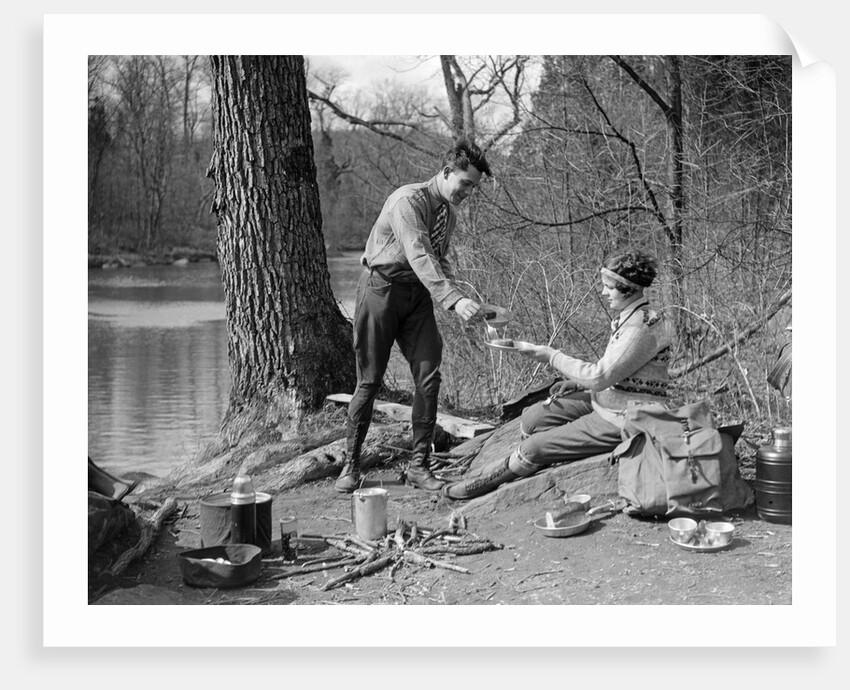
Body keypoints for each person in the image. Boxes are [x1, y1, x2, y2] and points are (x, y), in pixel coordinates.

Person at [442, 248, 674, 500]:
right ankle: (544, 454)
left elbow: (600, 376)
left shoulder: (641, 326)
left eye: (609, 287)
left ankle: (487, 484)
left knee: (532, 447)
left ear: (629, 289)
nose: (604, 292)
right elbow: (617, 371)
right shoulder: (629, 317)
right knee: (532, 419)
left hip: (627, 415)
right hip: (607, 399)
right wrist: (578, 384)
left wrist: (551, 355)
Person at [335, 138, 493, 493]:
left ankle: (419, 467)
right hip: (381, 290)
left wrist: (466, 299)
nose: (467, 191)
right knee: (370, 381)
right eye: (464, 183)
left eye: (473, 187)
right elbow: (418, 253)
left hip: (417, 297)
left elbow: (438, 260)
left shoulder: (447, 214)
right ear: (447, 171)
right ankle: (350, 466)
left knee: (429, 377)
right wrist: (452, 299)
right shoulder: (408, 200)